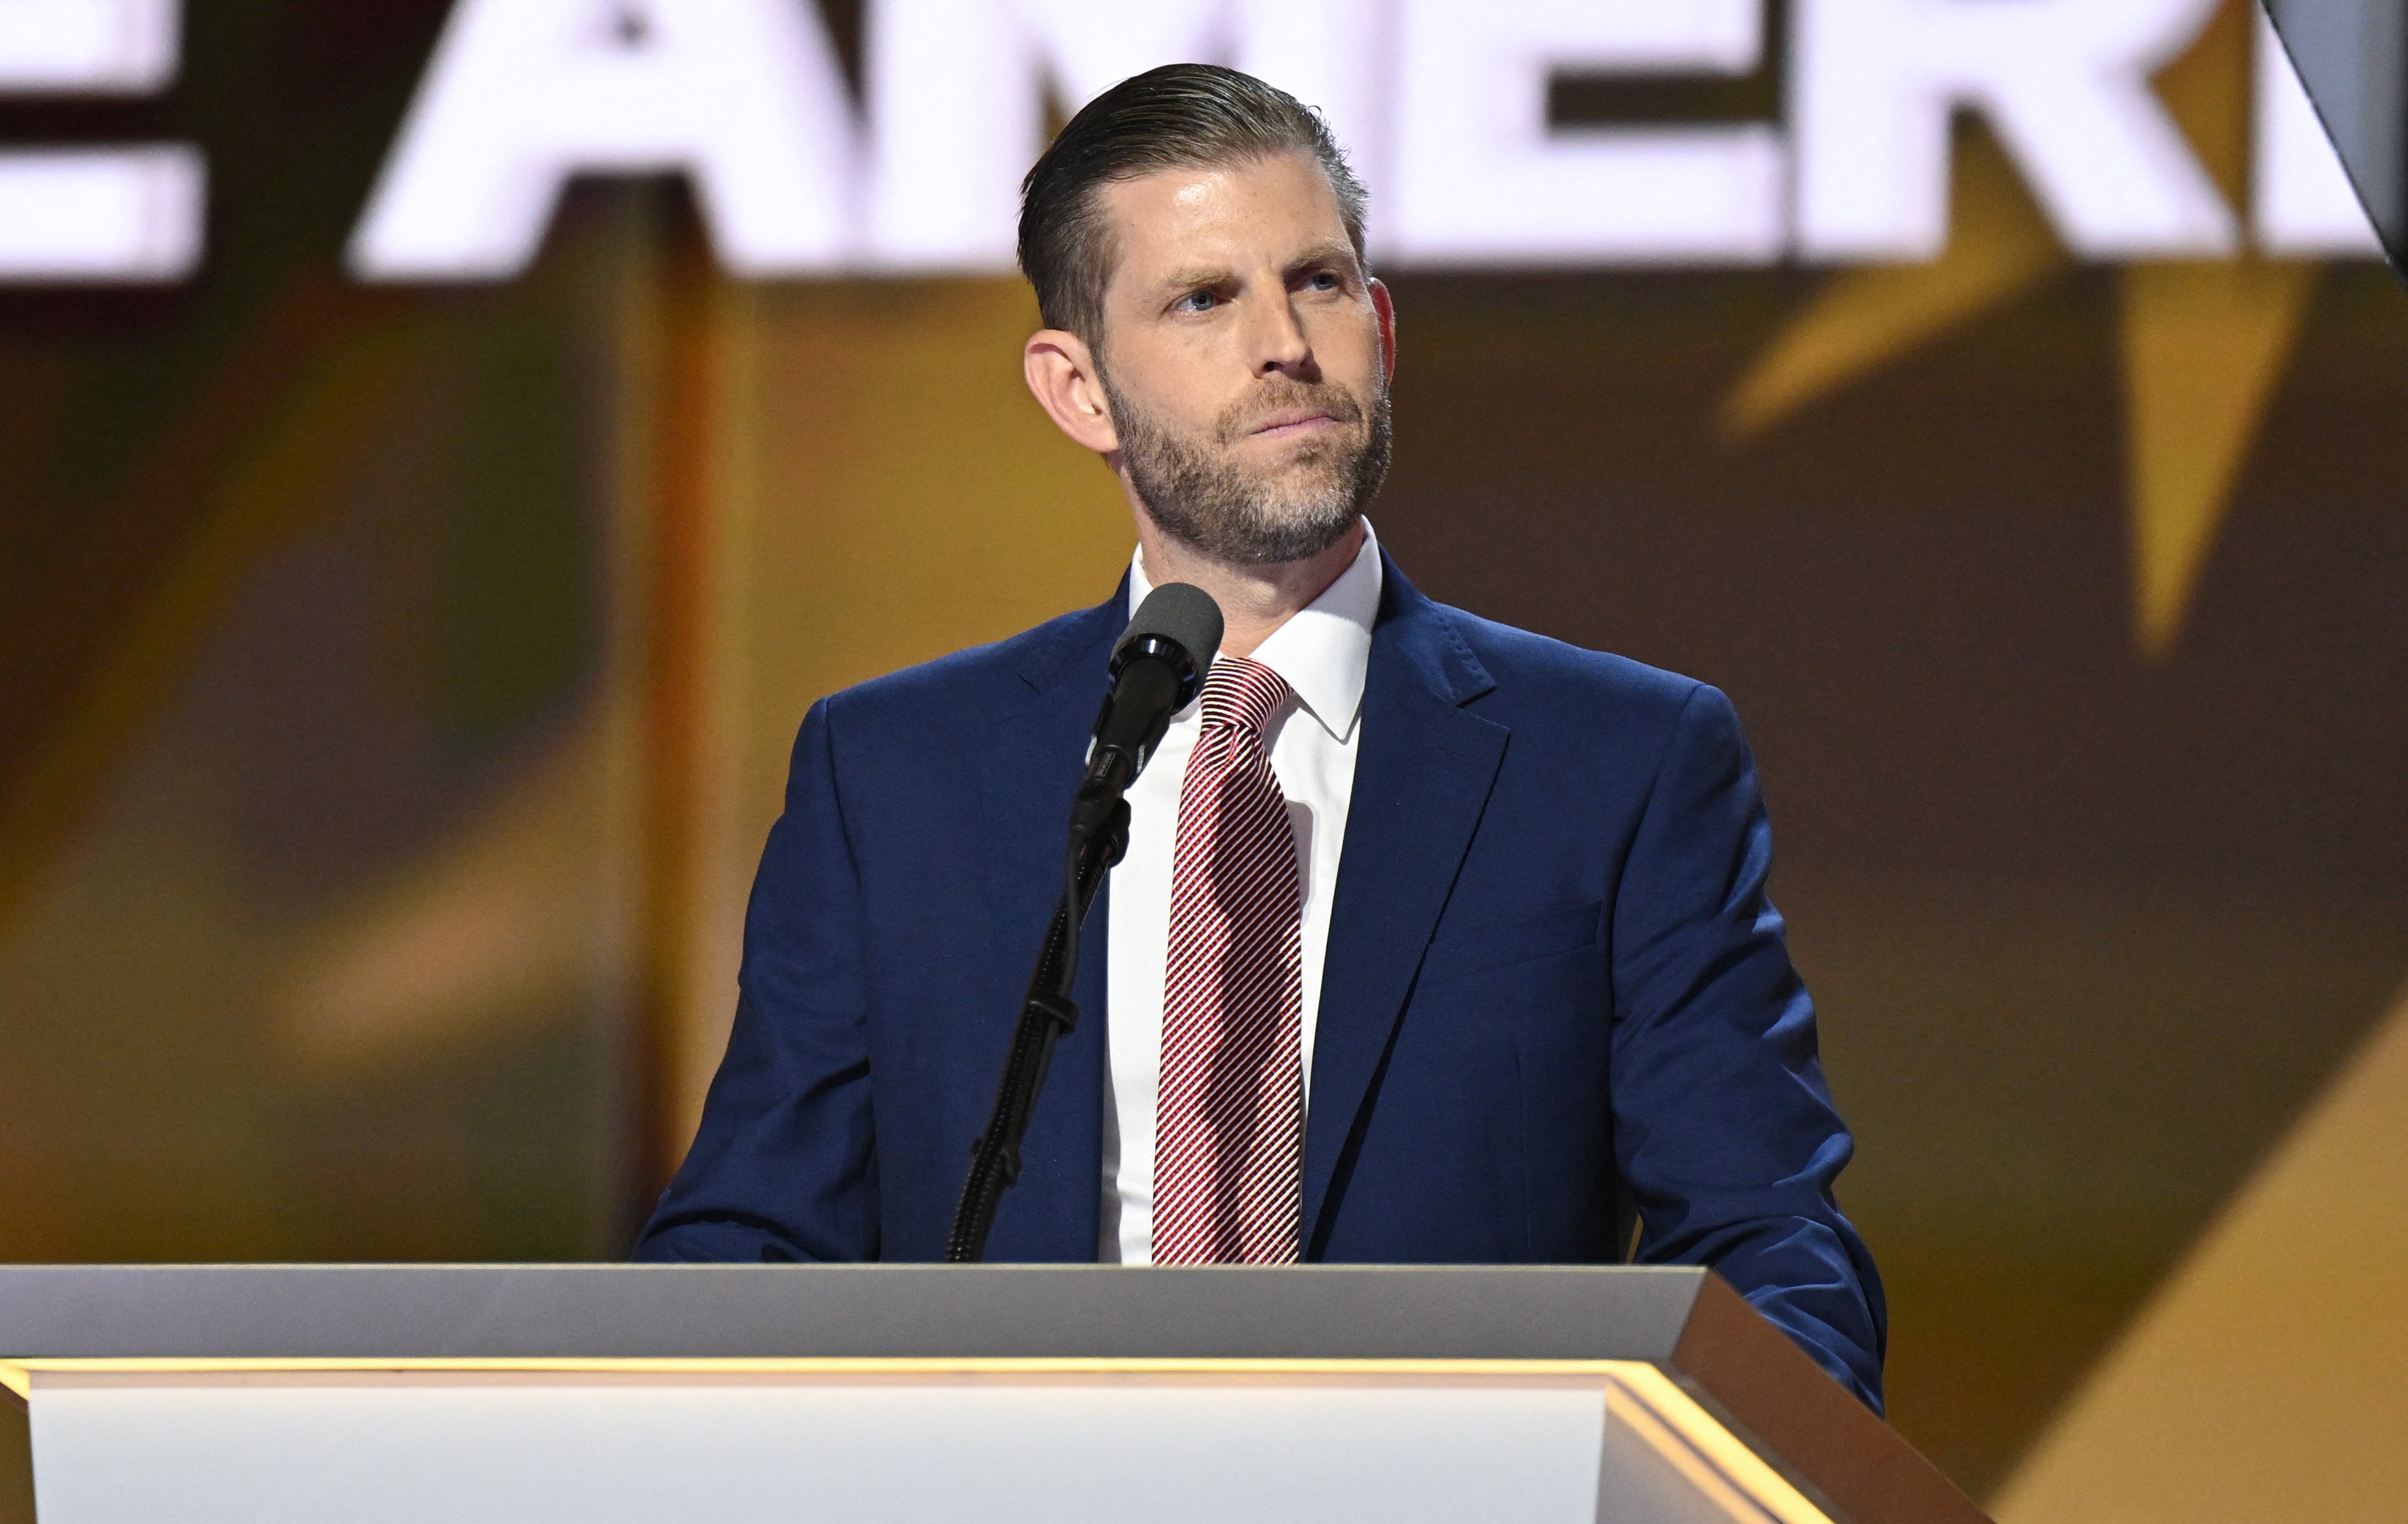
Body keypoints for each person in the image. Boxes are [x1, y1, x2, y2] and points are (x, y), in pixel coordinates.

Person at [634, 62, 1886, 1411]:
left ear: (1383, 326)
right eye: (1203, 299)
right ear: (1080, 391)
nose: (1285, 341)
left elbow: (1767, 1235)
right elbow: (758, 1240)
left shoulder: (1621, 764)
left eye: (1321, 282)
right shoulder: (895, 777)